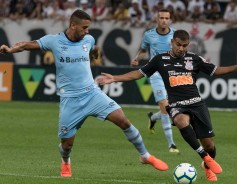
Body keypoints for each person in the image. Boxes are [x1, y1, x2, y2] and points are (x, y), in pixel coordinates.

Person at [0, 9, 168, 177]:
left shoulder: (88, 39)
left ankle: (145, 155)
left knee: (123, 120)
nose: (87, 31)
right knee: (66, 145)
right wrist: (9, 50)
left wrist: (94, 55)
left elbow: (91, 49)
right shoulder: (54, 41)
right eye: (84, 27)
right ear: (73, 25)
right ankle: (66, 162)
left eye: (88, 28)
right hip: (70, 100)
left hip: (92, 94)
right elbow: (26, 45)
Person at [97, 29, 237, 182]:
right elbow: (138, 73)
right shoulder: (159, 60)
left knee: (210, 145)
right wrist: (115, 78)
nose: (181, 48)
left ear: (188, 44)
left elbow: (216, 71)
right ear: (172, 42)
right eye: (178, 44)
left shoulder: (194, 59)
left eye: (184, 46)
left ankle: (207, 164)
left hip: (197, 104)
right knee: (180, 121)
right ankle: (203, 156)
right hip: (177, 104)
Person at [131, 8, 179, 153]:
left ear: (170, 20)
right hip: (156, 73)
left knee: (170, 108)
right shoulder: (149, 35)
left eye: (166, 18)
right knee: (164, 105)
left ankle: (153, 117)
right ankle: (171, 144)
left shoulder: (175, 34)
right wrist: (137, 58)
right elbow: (143, 50)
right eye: (161, 18)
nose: (164, 20)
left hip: (171, 73)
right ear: (156, 19)